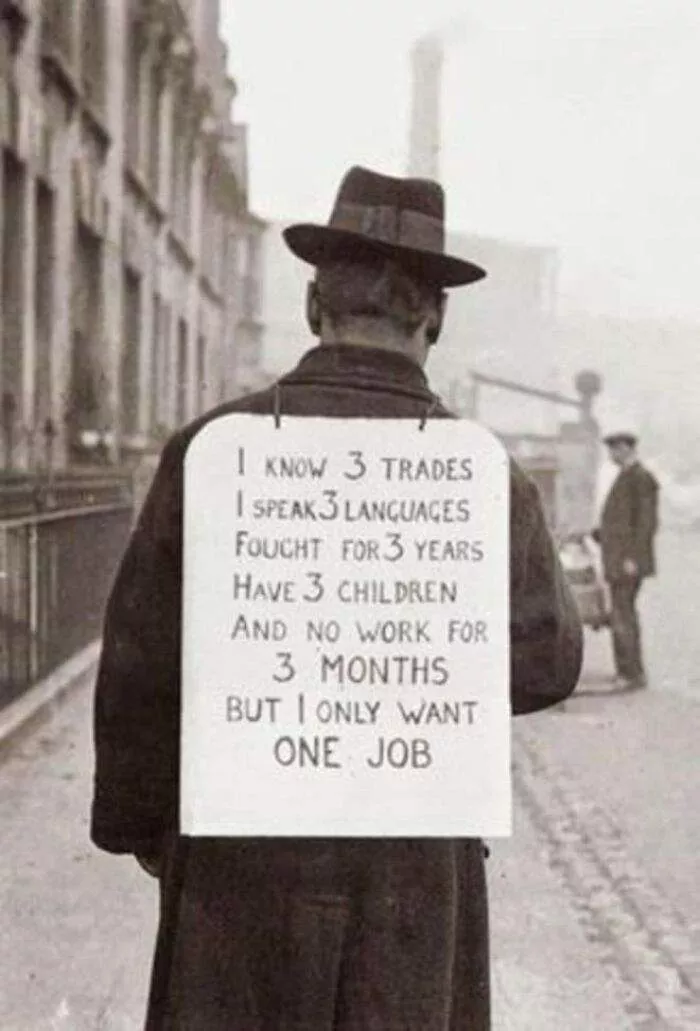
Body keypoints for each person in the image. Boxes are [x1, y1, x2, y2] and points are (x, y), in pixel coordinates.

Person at [90, 166, 583, 1030]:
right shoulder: (483, 474)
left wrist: (150, 828)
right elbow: (547, 662)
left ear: (316, 307)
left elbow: (140, 663)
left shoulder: (214, 449)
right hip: (412, 866)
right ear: (434, 317)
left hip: (237, 856)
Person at [593, 430, 659, 689]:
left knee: (623, 615)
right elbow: (619, 520)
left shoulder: (640, 478)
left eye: (614, 449)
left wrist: (632, 557)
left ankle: (631, 674)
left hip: (626, 562)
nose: (610, 454)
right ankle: (628, 671)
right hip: (619, 559)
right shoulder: (628, 477)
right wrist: (597, 534)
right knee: (622, 613)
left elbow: (645, 523)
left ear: (626, 448)